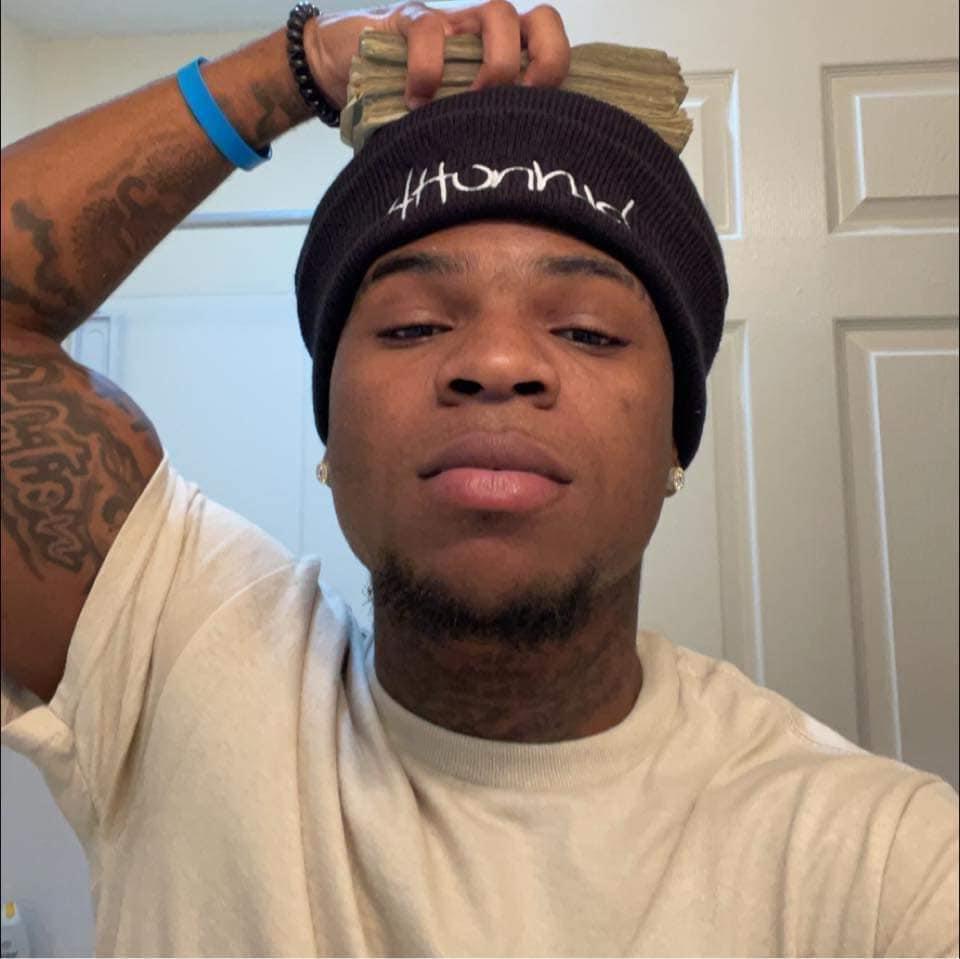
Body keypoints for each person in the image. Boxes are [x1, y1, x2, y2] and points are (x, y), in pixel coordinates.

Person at [1, 1, 957, 955]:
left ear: (676, 439)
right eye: (414, 324)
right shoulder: (178, 666)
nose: (497, 363)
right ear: (330, 432)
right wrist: (296, 68)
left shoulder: (886, 864)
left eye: (586, 331)